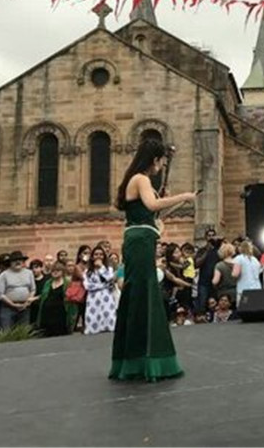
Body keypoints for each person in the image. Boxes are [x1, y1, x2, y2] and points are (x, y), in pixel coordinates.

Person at [110, 138, 195, 382]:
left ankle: (136, 359)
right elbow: (152, 204)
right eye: (161, 161)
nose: (161, 166)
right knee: (143, 294)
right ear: (155, 159)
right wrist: (184, 195)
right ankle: (144, 359)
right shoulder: (141, 179)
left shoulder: (137, 180)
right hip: (140, 242)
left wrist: (176, 202)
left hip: (142, 238)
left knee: (142, 294)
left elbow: (151, 212)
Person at [0, 251, 37, 329]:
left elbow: (33, 289)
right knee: (7, 331)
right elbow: (0, 294)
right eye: (15, 260)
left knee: (24, 331)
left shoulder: (29, 273)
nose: (18, 262)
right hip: (8, 308)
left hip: (25, 307)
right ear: (10, 263)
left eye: (20, 260)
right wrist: (13, 305)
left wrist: (27, 302)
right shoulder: (3, 275)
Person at [84, 246, 117, 335]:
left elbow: (110, 279)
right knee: (94, 316)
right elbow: (87, 285)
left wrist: (101, 267)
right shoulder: (88, 271)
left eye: (101, 254)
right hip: (93, 297)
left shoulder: (108, 269)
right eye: (96, 254)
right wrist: (103, 286)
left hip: (106, 296)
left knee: (108, 315)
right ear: (92, 257)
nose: (98, 256)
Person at [36, 261, 70, 337]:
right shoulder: (48, 283)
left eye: (57, 271)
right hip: (47, 315)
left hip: (60, 314)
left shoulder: (67, 283)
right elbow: (43, 296)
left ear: (62, 272)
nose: (55, 272)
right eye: (53, 271)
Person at [233, 240, 262, 305]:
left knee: (243, 308)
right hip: (256, 288)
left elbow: (235, 274)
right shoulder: (255, 260)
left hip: (244, 289)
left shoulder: (239, 258)